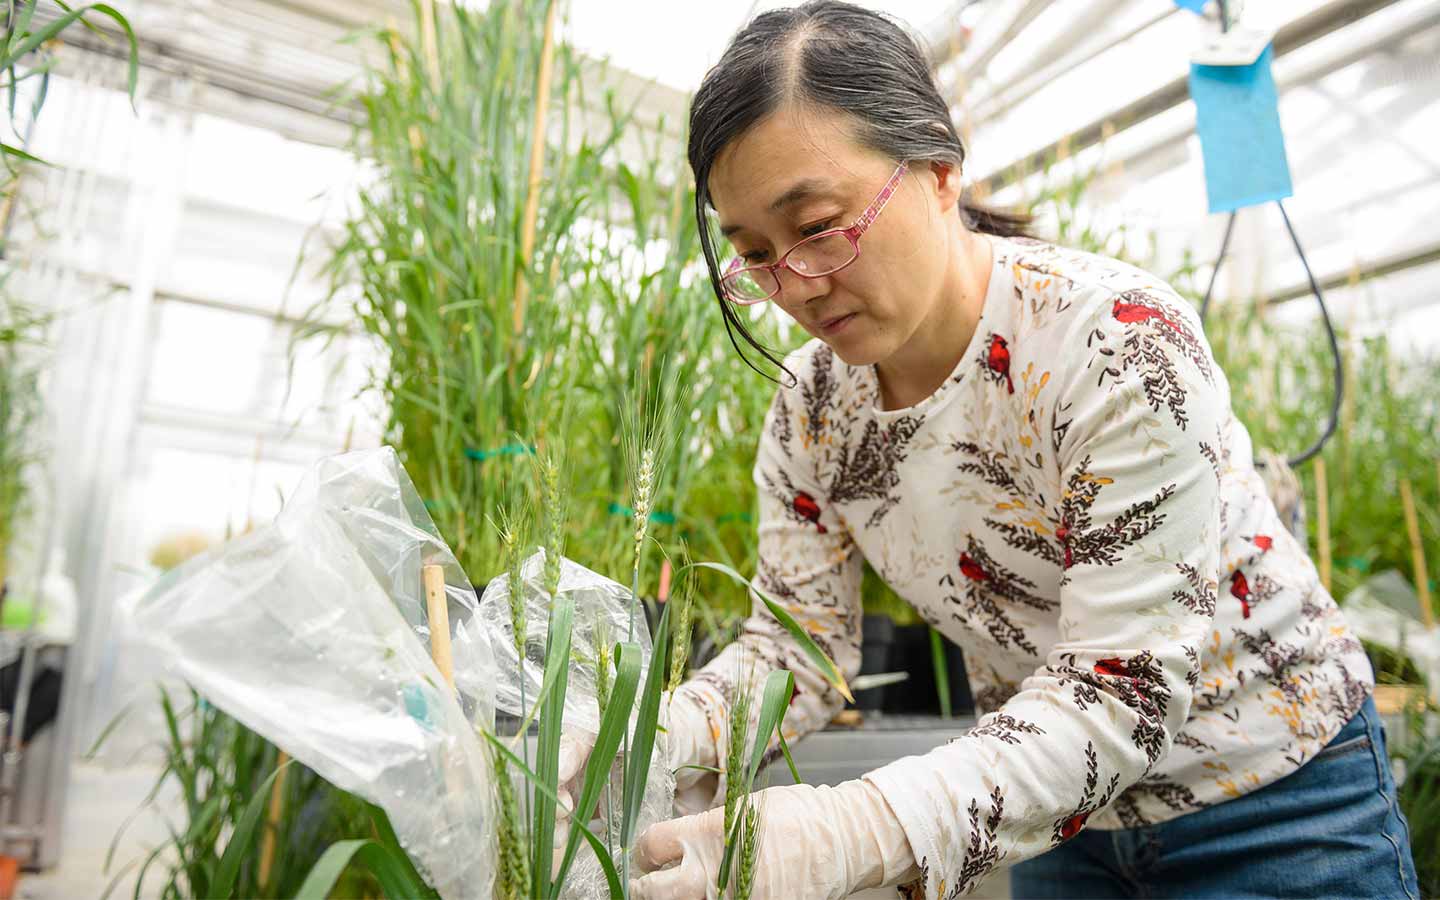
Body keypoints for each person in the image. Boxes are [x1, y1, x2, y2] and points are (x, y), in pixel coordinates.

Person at [560, 3, 1419, 898]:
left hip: (1273, 799)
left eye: (817, 227)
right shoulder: (813, 408)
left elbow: (1124, 689)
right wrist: (656, 733)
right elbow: (799, 647)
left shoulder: (1113, 344)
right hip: (1062, 817)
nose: (795, 285)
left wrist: (855, 829)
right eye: (755, 255)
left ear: (938, 170)